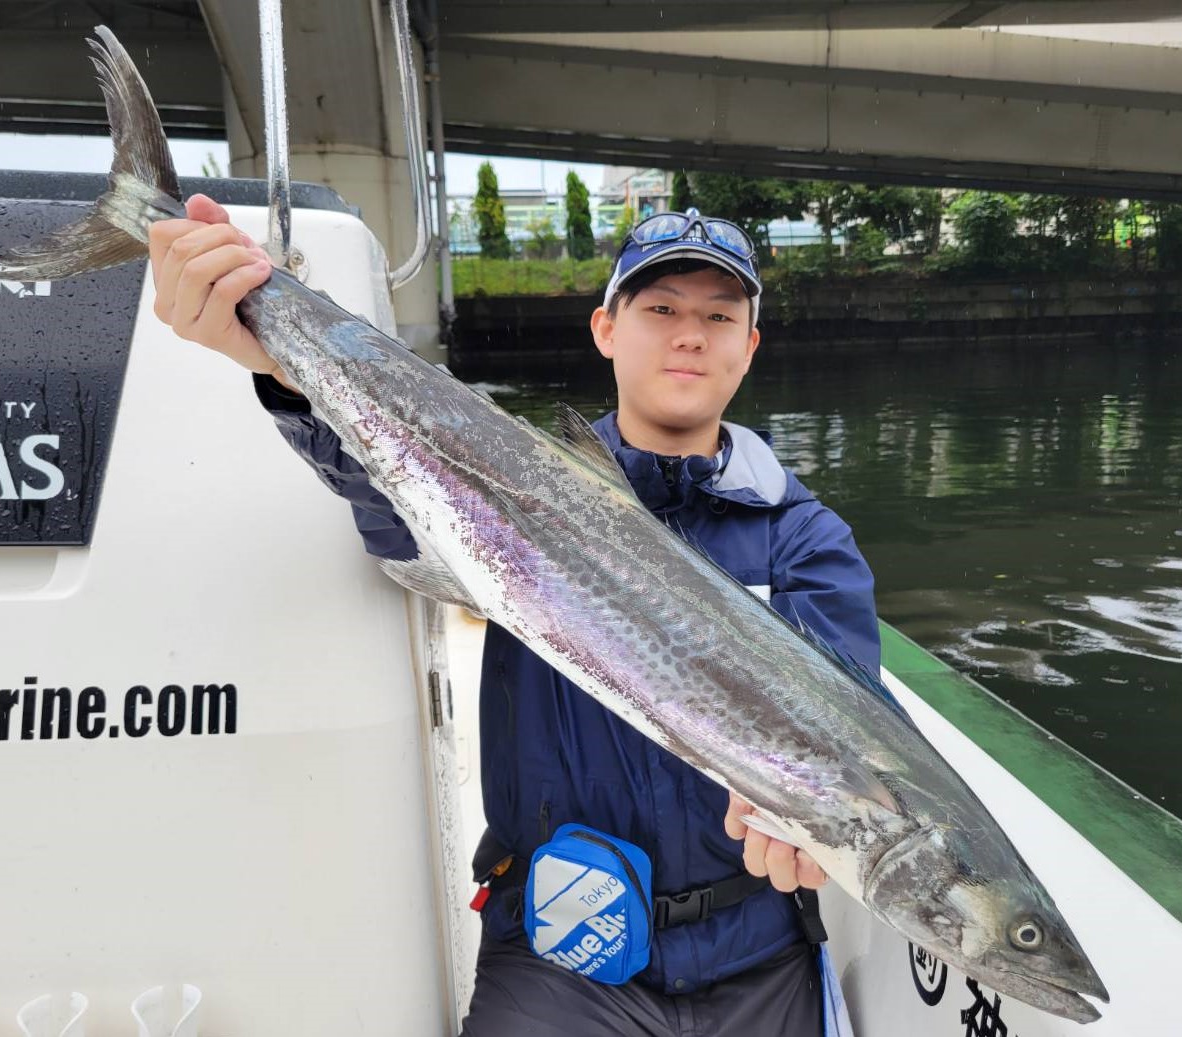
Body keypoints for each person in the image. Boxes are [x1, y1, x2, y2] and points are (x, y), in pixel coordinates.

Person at [148, 199, 895, 1036]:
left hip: (759, 948)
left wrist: (821, 824)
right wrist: (285, 368)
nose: (691, 334)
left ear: (750, 346)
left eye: (720, 315)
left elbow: (853, 725)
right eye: (661, 310)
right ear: (606, 328)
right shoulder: (522, 483)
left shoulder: (802, 536)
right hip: (560, 958)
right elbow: (388, 491)